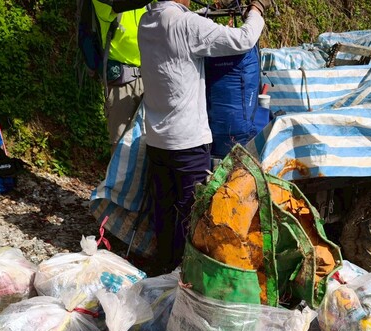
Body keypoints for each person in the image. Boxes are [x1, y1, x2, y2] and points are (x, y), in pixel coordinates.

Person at [138, 0, 271, 269]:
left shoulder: (147, 21)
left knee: (165, 213)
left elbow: (189, 24)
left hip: (157, 138)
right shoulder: (187, 25)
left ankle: (163, 271)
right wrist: (256, 10)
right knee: (193, 216)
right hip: (187, 142)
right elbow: (243, 39)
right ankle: (189, 277)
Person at [93, 0, 148, 147]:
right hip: (121, 81)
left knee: (150, 142)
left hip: (149, 77)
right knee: (121, 143)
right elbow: (121, 4)